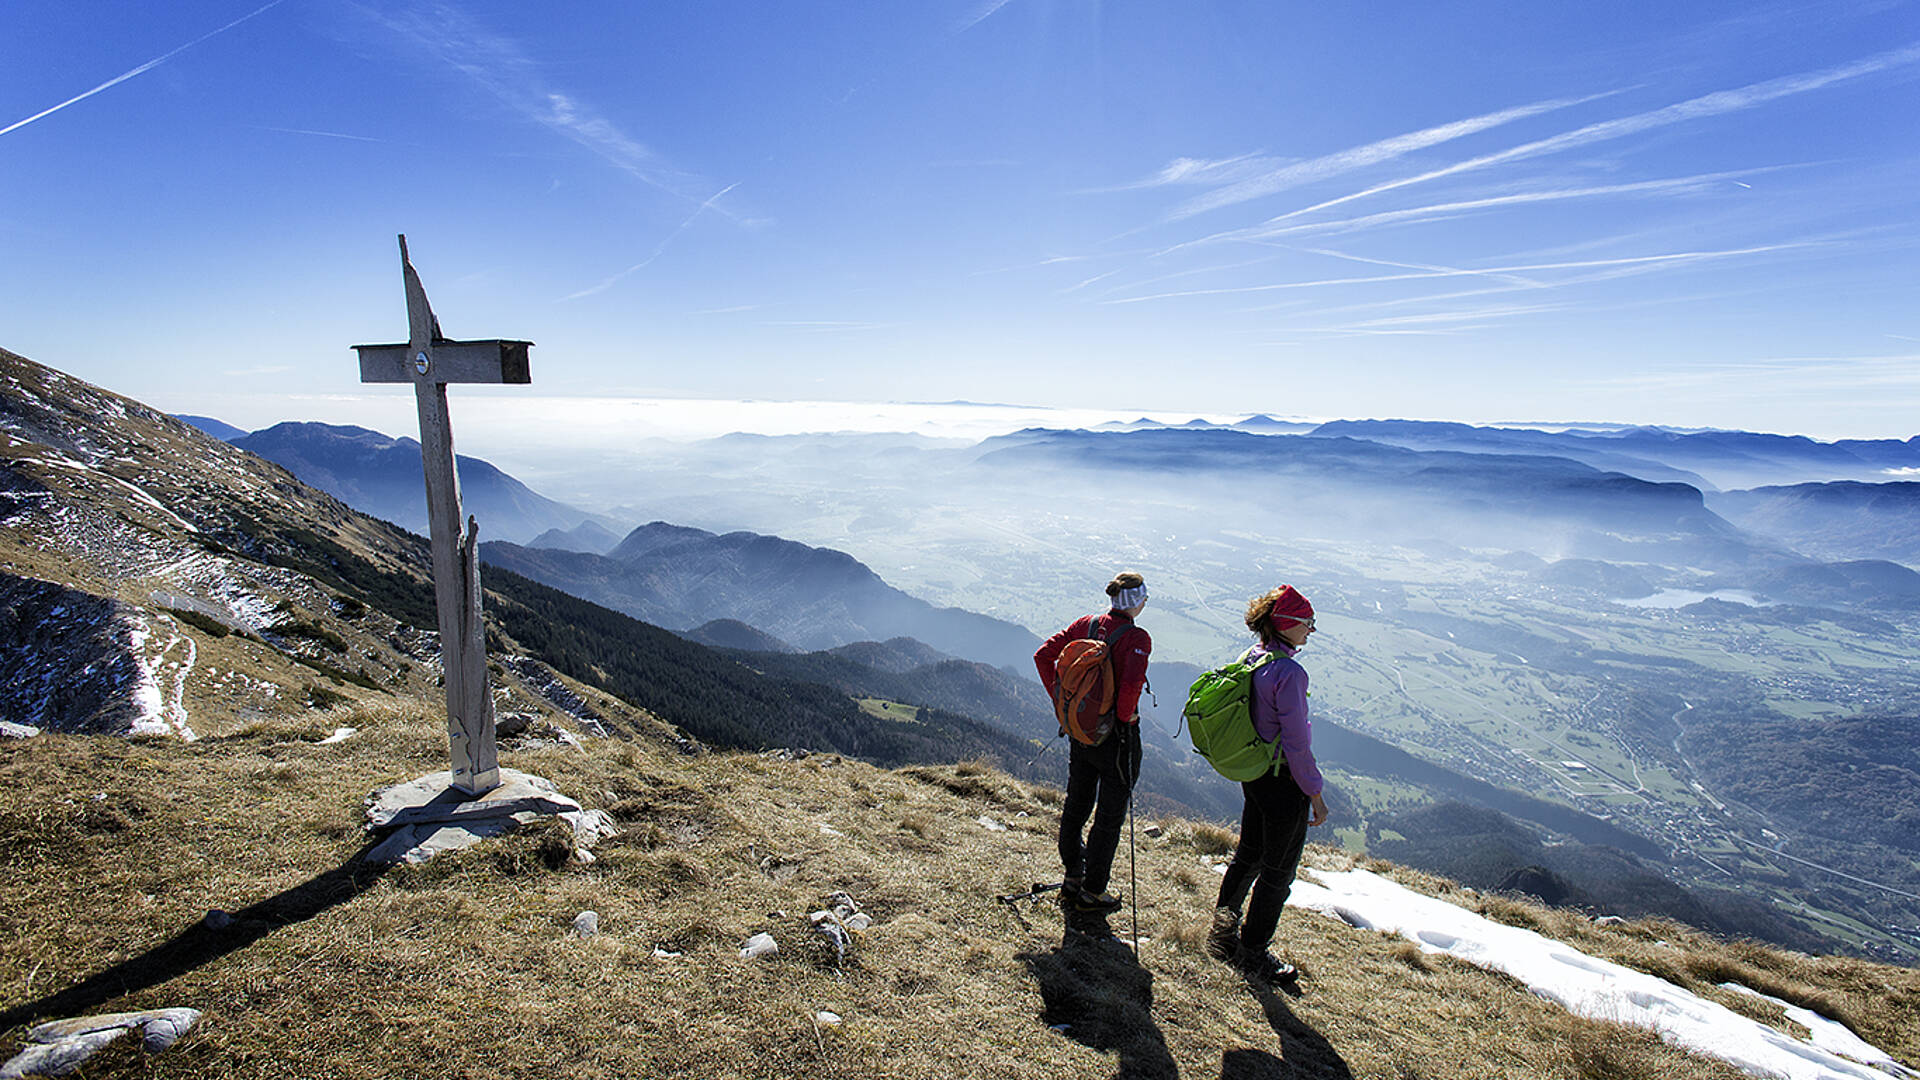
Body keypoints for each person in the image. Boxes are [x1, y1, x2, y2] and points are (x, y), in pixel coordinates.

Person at [1207, 584, 1329, 985]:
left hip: (1254, 774)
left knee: (1249, 855)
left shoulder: (1254, 658)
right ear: (1288, 624)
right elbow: (1297, 741)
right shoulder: (1289, 673)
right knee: (1278, 872)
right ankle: (1254, 953)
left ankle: (1222, 935)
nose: (1311, 631)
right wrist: (1315, 792)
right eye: (1308, 623)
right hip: (1283, 781)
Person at [1033, 570, 1153, 914]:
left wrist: (1062, 701)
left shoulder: (1084, 624)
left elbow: (1044, 655)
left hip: (1080, 730)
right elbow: (1129, 690)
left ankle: (1074, 876)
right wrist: (1125, 717)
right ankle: (1094, 891)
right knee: (1109, 815)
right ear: (1137, 601)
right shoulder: (1136, 638)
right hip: (1116, 738)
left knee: (1078, 802)